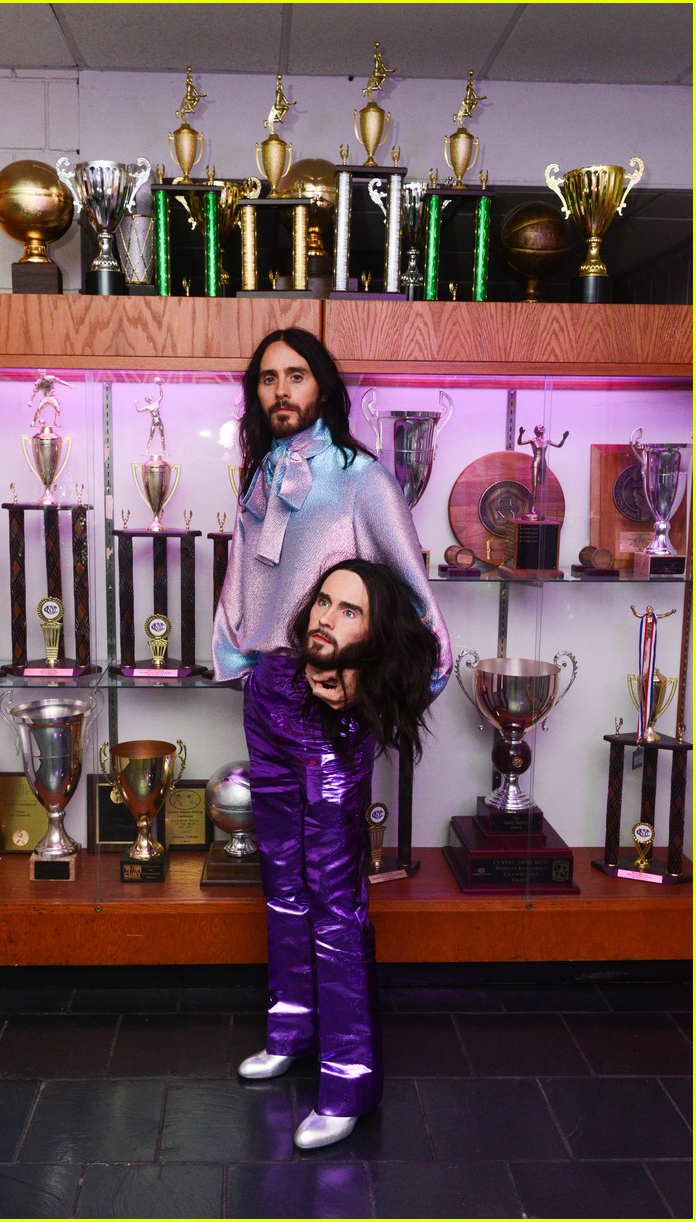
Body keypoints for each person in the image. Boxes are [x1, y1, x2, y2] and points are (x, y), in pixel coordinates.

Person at [212, 328, 451, 1148]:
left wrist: (364, 684)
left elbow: (417, 607)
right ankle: (291, 1031)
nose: (281, 390)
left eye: (297, 375)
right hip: (268, 695)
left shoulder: (362, 479)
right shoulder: (259, 474)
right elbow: (244, 580)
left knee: (333, 897)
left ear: (323, 387)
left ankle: (348, 1082)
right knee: (280, 880)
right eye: (268, 378)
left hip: (328, 709)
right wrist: (246, 664)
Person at [516, 423, 569, 518]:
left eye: (542, 427)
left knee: (542, 482)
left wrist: (564, 438)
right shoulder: (533, 440)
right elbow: (519, 443)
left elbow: (559, 445)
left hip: (543, 463)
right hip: (536, 463)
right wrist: (520, 434)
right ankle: (532, 508)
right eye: (539, 427)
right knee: (535, 486)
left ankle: (537, 502)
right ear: (536, 430)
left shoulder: (547, 441)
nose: (541, 427)